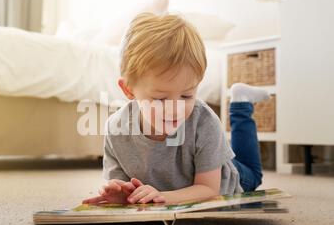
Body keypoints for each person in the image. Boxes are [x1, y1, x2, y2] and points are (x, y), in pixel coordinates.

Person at [82, 13, 270, 205]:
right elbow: (123, 185)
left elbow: (209, 189)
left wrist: (164, 197)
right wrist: (122, 194)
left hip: (226, 177)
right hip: (181, 182)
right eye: (161, 99)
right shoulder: (116, 128)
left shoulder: (203, 120)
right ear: (129, 90)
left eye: (186, 96)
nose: (174, 109)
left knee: (253, 175)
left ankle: (241, 103)